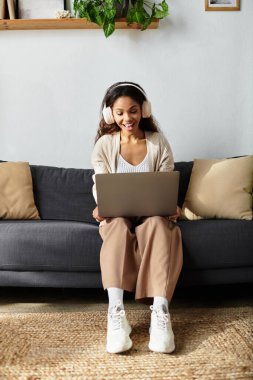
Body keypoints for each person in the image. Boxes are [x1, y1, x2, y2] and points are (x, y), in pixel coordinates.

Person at [91, 81, 183, 354]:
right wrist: (102, 205)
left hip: (153, 214)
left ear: (144, 110)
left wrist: (170, 204)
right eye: (119, 112)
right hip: (118, 216)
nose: (127, 118)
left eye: (133, 111)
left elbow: (166, 181)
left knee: (157, 224)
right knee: (117, 226)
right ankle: (116, 313)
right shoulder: (104, 146)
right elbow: (100, 185)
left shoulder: (158, 143)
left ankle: (161, 314)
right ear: (110, 114)